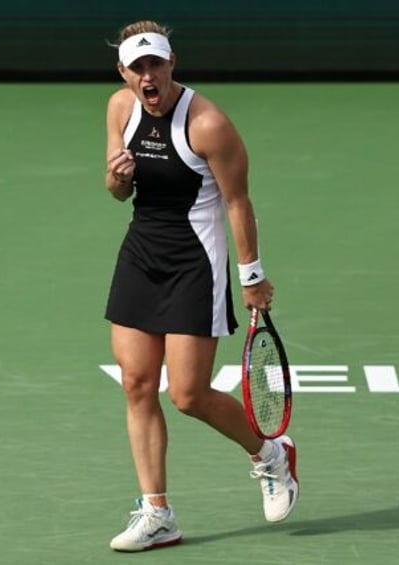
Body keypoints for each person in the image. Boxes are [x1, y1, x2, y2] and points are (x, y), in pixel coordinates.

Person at [103, 20, 299, 552]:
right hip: (141, 255)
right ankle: (157, 512)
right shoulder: (120, 109)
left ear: (172, 65)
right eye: (137, 68)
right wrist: (118, 177)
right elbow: (117, 190)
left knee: (188, 395)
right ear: (123, 73)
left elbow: (239, 203)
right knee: (137, 385)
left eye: (156, 64)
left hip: (197, 263)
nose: (148, 76)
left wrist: (252, 277)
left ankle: (271, 455)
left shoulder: (208, 123)